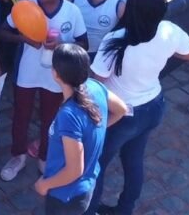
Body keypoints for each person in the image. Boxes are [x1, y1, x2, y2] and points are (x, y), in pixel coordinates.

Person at [87, 0, 189, 215]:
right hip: (153, 107)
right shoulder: (169, 30)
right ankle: (125, 209)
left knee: (95, 165)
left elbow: (96, 82)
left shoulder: (115, 40)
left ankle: (89, 211)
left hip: (121, 115)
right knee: (133, 160)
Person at [0, 0, 87, 182]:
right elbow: (3, 32)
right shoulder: (26, 7)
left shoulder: (72, 11)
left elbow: (83, 43)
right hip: (28, 72)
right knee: (21, 115)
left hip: (56, 76)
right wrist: (24, 38)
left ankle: (45, 157)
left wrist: (62, 44)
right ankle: (18, 156)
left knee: (51, 118)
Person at [35, 44, 128, 214]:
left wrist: (44, 184)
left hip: (65, 196)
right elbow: (121, 109)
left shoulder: (68, 115)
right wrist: (95, 130)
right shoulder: (95, 87)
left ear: (56, 74)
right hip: (85, 187)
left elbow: (74, 170)